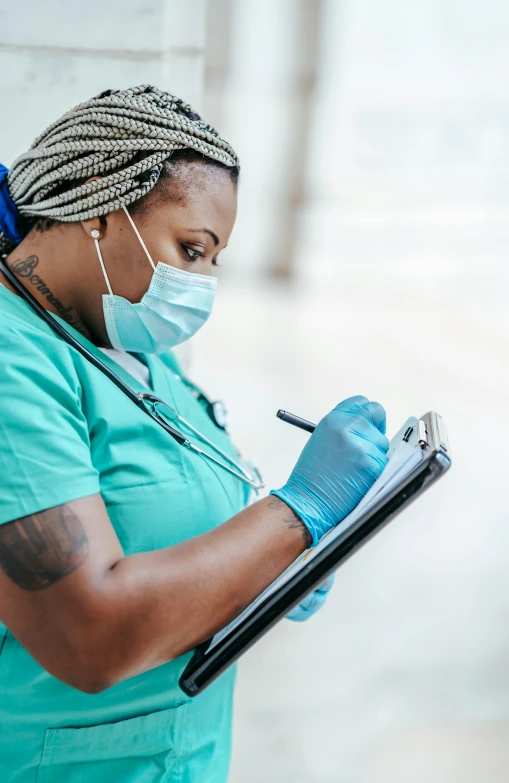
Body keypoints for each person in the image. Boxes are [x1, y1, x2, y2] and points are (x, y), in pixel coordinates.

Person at [0, 85, 389, 783]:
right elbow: (86, 634)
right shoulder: (11, 361)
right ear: (98, 201)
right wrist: (295, 513)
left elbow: (158, 517)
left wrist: (268, 566)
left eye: (215, 258)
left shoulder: (125, 342)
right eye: (192, 248)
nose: (204, 282)